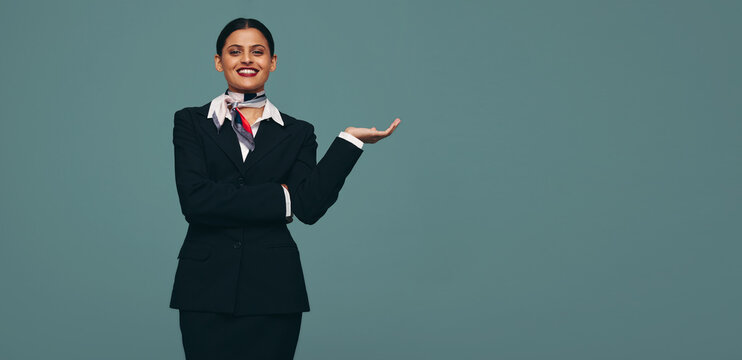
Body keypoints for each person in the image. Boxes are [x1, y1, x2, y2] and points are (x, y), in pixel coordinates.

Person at [168, 18, 400, 359]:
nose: (247, 59)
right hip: (205, 287)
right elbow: (196, 200)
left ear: (272, 62)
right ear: (219, 61)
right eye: (235, 51)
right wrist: (282, 197)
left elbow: (308, 207)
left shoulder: (299, 132)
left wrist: (349, 141)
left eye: (257, 52)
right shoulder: (189, 121)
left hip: (274, 289)